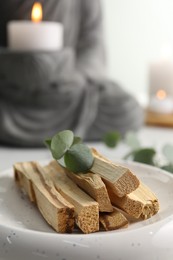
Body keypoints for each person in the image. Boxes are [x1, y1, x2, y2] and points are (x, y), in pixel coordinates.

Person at [0, 0, 144, 147]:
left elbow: (93, 45)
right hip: (12, 92)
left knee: (126, 108)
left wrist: (76, 78)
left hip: (66, 92)